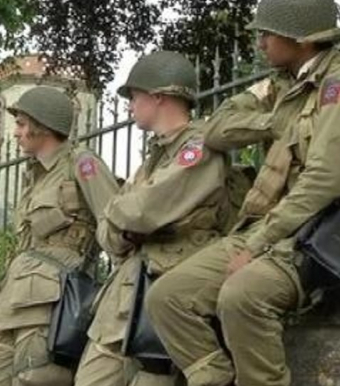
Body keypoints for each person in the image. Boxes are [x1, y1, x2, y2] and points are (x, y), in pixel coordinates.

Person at [145, 0, 340, 385]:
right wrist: (272, 121)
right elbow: (216, 128)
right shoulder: (281, 85)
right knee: (168, 298)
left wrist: (256, 245)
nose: (260, 43)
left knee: (242, 296)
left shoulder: (334, 87)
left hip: (315, 233)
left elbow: (324, 180)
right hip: (269, 228)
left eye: (267, 33)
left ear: (300, 38)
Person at [73, 51, 230, 386]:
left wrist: (126, 218)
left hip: (167, 284)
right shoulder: (153, 160)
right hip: (125, 295)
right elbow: (109, 230)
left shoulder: (199, 148)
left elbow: (141, 210)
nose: (129, 106)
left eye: (134, 96)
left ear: (158, 96)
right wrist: (124, 223)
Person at [0, 86, 121, 386]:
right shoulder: (34, 175)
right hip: (13, 298)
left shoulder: (82, 163)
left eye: (22, 124)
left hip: (52, 302)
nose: (16, 133)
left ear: (43, 126)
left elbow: (114, 221)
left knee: (37, 379)